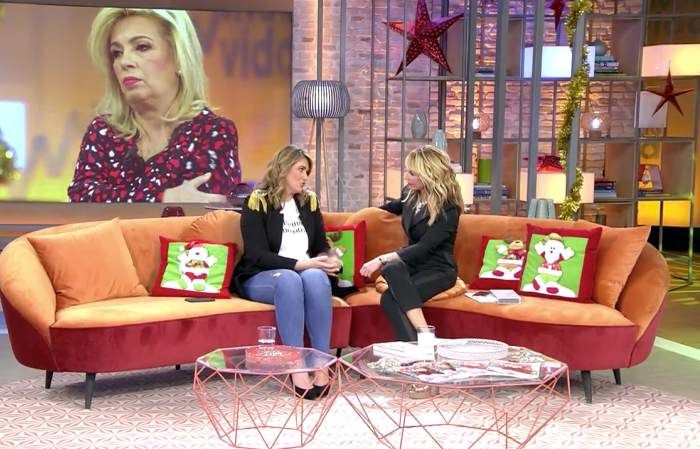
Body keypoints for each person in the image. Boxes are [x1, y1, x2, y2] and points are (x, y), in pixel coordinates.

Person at [68, 8, 240, 202]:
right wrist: (164, 198)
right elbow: (81, 200)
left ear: (179, 57)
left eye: (142, 47)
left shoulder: (213, 132)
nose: (125, 61)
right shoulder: (103, 132)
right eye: (117, 53)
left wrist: (120, 200)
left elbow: (198, 207)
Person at [232, 145, 341, 400]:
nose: (305, 177)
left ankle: (322, 365)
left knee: (316, 277)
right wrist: (303, 264)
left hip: (305, 274)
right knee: (291, 279)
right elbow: (256, 254)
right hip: (261, 275)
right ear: (283, 169)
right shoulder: (257, 201)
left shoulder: (308, 202)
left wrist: (329, 259)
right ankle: (297, 368)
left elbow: (320, 246)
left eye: (307, 172)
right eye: (300, 170)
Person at [359, 145, 463, 342]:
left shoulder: (449, 208)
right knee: (391, 268)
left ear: (429, 174)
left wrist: (380, 259)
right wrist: (358, 219)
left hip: (438, 269)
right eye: (407, 171)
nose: (406, 176)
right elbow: (387, 209)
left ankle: (422, 343)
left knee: (389, 299)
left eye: (412, 173)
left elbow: (424, 247)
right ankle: (426, 338)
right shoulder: (410, 194)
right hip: (414, 265)